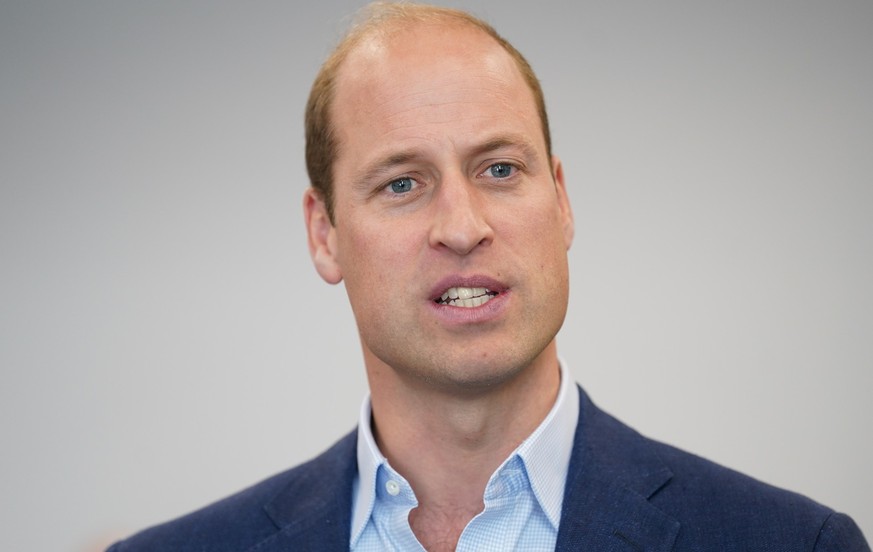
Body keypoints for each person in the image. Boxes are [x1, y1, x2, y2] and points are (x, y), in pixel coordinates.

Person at [107, 2, 869, 551]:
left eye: (499, 169)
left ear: (561, 201)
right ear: (324, 234)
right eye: (401, 183)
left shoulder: (791, 543)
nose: (463, 225)